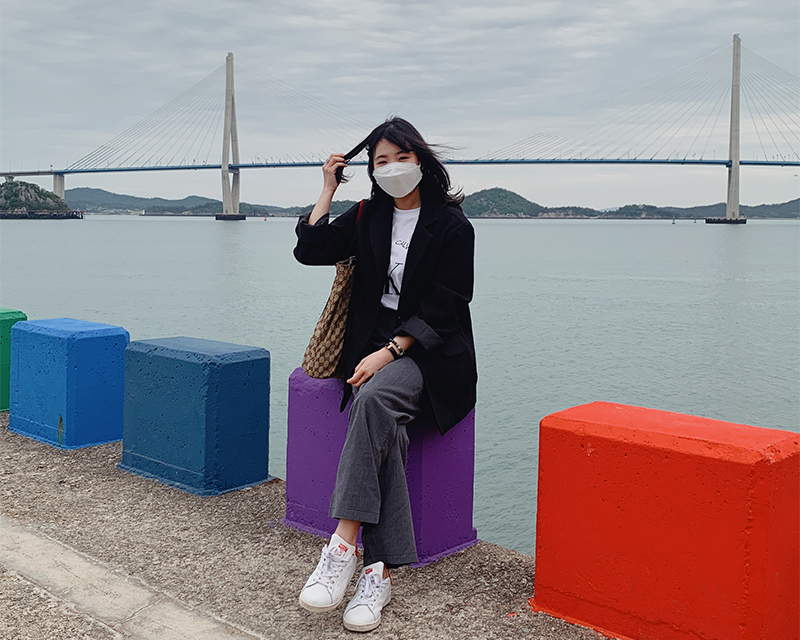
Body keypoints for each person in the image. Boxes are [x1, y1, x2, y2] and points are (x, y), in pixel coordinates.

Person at [293, 117, 477, 633]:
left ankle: (343, 543)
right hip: (372, 348)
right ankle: (377, 574)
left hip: (430, 354)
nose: (393, 168)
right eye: (381, 161)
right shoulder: (369, 215)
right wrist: (327, 189)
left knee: (373, 400)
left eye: (402, 157)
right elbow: (310, 249)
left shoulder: (452, 226)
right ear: (371, 170)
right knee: (385, 432)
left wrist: (389, 352)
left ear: (421, 160)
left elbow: (448, 305)